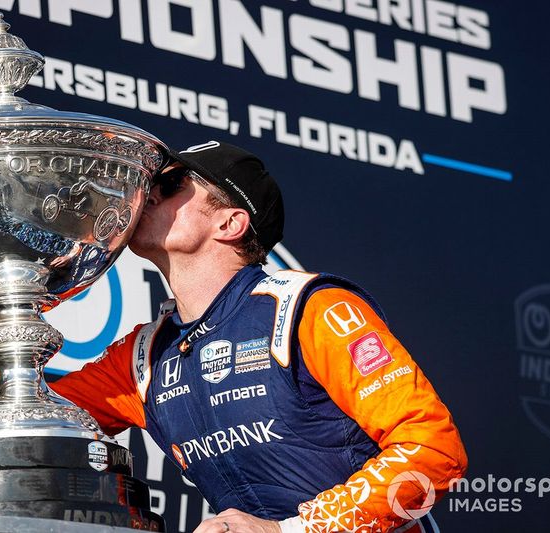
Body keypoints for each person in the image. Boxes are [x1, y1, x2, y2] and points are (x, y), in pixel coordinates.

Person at [45, 140, 468, 533]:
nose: (147, 195)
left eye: (171, 184)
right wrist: (22, 284)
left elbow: (431, 449)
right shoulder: (146, 355)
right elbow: (20, 418)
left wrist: (291, 530)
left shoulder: (308, 309)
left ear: (230, 223)